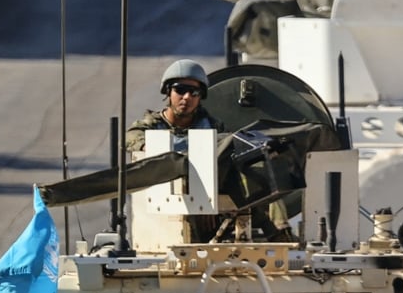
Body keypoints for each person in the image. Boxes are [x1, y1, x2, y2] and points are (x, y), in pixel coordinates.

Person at [126, 59, 295, 243]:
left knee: (260, 178)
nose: (186, 97)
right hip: (169, 193)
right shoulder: (152, 126)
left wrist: (208, 197)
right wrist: (148, 146)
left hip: (210, 186)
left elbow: (224, 159)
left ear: (200, 97)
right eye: (180, 90)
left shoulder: (211, 126)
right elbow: (131, 138)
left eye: (194, 92)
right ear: (168, 92)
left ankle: (279, 234)